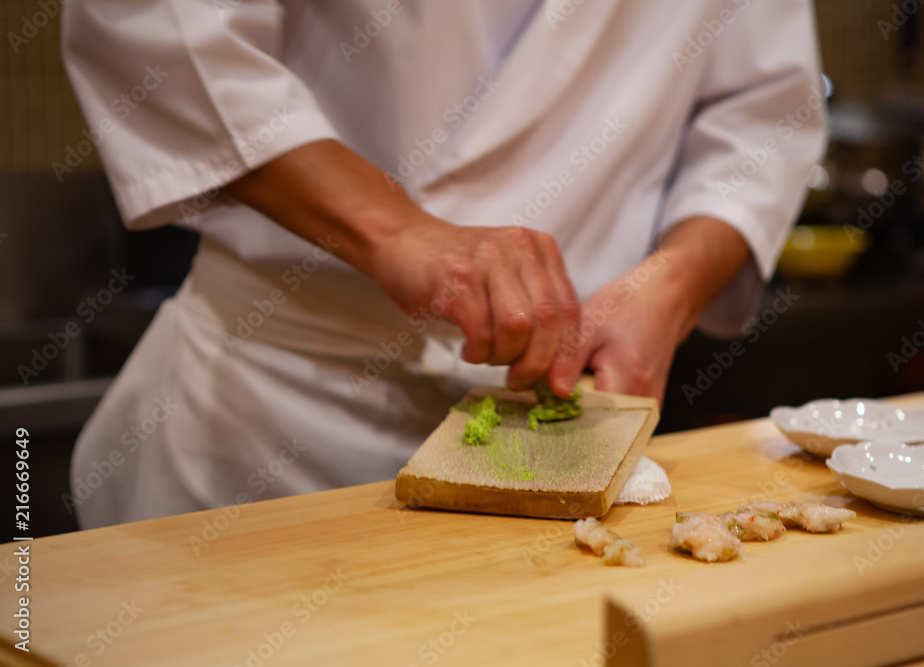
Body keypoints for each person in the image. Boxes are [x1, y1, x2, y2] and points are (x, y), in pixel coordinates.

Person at [62, 1, 827, 528]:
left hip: (567, 441)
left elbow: (764, 111)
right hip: (269, 412)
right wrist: (393, 227)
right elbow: (157, 23)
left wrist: (675, 280)